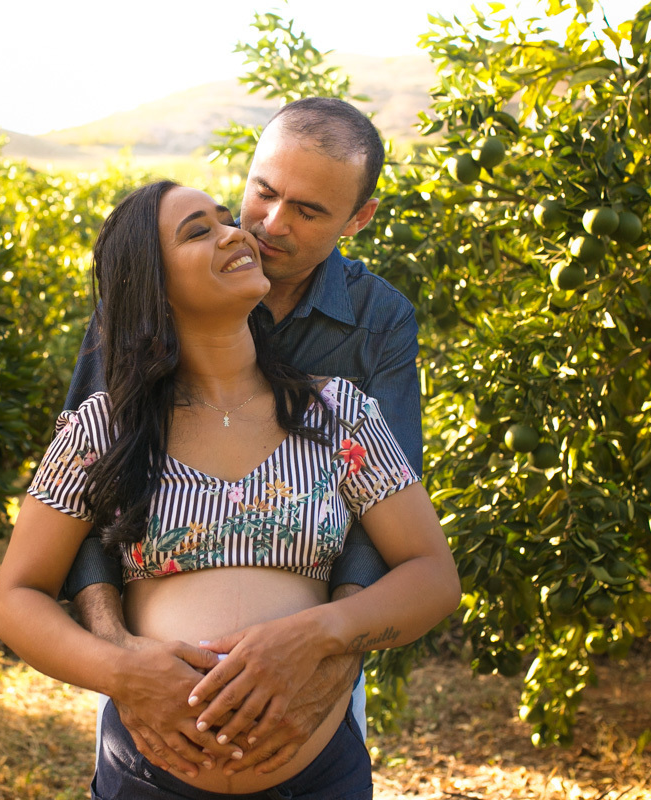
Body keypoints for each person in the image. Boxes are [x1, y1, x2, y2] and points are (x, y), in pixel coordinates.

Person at [0, 179, 460, 798]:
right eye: (198, 231)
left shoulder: (338, 413)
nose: (237, 233)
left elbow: (432, 576)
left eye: (224, 218)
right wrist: (124, 672)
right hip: (149, 778)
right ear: (151, 288)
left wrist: (320, 633)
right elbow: (16, 597)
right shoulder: (105, 428)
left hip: (316, 778)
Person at [62, 98, 423, 778]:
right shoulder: (149, 294)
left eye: (309, 211)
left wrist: (329, 662)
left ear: (359, 219)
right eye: (263, 192)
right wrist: (119, 658)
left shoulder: (379, 323)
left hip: (319, 661)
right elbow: (84, 486)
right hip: (148, 677)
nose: (271, 225)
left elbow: (392, 517)